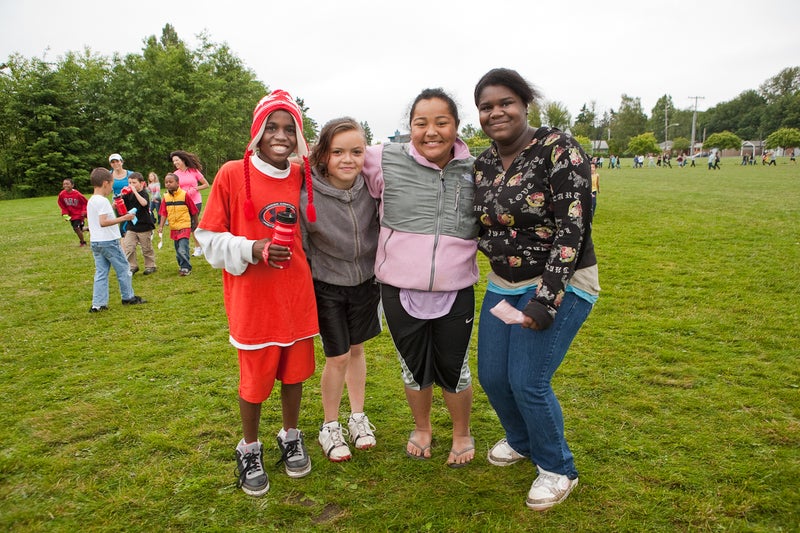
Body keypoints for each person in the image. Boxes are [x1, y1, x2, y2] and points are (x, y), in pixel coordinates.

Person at [472, 68, 599, 511]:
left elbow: (574, 227)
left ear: (525, 104)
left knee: (528, 380)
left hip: (559, 279)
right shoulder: (484, 162)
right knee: (492, 375)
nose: (496, 112)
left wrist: (547, 298)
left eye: (505, 102)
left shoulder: (558, 149)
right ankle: (522, 440)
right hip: (504, 282)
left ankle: (558, 468)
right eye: (486, 107)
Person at [195, 90, 319, 496]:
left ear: (298, 135)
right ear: (257, 132)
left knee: (295, 373)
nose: (280, 135)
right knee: (254, 381)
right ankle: (249, 447)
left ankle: (290, 434)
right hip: (253, 299)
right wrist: (253, 248)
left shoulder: (304, 174)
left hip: (296, 294)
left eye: (289, 128)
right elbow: (207, 237)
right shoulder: (233, 172)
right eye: (272, 127)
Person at [362, 88, 479, 468]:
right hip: (398, 288)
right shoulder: (384, 160)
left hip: (456, 288)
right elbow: (331, 157)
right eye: (420, 123)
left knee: (454, 366)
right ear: (409, 127)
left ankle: (462, 433)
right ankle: (422, 427)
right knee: (412, 366)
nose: (431, 131)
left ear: (457, 127)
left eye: (441, 122)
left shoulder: (476, 170)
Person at [299, 117, 381, 462]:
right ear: (323, 155)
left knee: (358, 350)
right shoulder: (307, 196)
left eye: (356, 151)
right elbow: (302, 249)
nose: (348, 159)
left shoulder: (373, 187)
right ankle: (329, 425)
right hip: (328, 287)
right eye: (338, 152)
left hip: (365, 283)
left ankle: (358, 418)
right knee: (338, 356)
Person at [86, 168, 146, 312]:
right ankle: (128, 297)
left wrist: (113, 208)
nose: (112, 188)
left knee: (101, 273)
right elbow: (103, 222)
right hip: (109, 241)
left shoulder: (92, 200)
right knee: (124, 269)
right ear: (105, 183)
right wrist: (125, 218)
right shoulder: (102, 201)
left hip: (96, 242)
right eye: (112, 184)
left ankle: (98, 304)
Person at [158, 173, 199, 276]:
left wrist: (195, 223)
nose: (168, 184)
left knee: (183, 247)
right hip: (173, 227)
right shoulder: (166, 197)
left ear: (177, 183)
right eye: (166, 182)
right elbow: (163, 212)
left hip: (184, 225)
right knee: (178, 249)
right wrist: (161, 226)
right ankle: (182, 265)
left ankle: (186, 267)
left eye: (171, 182)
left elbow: (193, 210)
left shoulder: (184, 195)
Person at [170, 150, 209, 257]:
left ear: (182, 160)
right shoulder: (175, 174)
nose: (175, 163)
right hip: (182, 203)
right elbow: (173, 189)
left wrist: (195, 188)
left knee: (194, 225)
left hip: (195, 201)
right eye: (174, 161)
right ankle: (188, 246)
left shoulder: (193, 171)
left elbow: (206, 185)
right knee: (185, 225)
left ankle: (198, 248)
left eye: (177, 160)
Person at [121, 172, 157, 275]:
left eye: (134, 183)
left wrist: (135, 192)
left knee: (146, 248)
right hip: (131, 226)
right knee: (129, 246)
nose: (131, 185)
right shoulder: (128, 195)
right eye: (129, 183)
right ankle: (132, 266)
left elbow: (144, 203)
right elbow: (122, 208)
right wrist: (119, 199)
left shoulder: (144, 193)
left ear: (142, 183)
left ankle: (150, 265)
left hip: (144, 225)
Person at [57, 178, 89, 246]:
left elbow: (85, 203)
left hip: (79, 215)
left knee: (76, 228)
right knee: (77, 229)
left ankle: (83, 242)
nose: (65, 185)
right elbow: (62, 205)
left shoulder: (77, 194)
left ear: (72, 185)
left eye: (67, 184)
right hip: (71, 215)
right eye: (64, 184)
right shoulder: (62, 194)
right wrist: (65, 214)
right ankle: (87, 228)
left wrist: (84, 211)